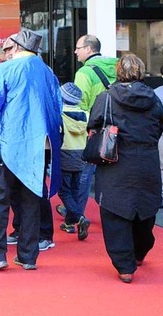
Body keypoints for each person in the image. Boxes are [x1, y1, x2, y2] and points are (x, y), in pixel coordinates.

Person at [0, 29, 62, 271]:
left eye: (8, 49)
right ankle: (28, 256)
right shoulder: (47, 71)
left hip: (10, 142)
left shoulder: (6, 69)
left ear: (16, 48)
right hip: (41, 142)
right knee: (32, 198)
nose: (6, 53)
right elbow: (58, 104)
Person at [89, 54, 163, 284]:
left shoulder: (107, 97)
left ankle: (124, 266)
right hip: (147, 160)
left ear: (118, 72)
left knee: (114, 212)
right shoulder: (154, 98)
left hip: (116, 161)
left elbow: (93, 124)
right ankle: (140, 251)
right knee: (146, 208)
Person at [73, 35, 119, 220]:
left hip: (93, 131)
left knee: (85, 174)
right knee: (113, 173)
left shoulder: (84, 73)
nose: (75, 51)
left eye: (78, 48)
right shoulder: (116, 67)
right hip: (116, 129)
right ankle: (114, 212)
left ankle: (76, 213)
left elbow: (79, 104)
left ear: (89, 49)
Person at [56, 82, 90, 241]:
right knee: (75, 190)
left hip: (64, 154)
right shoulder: (85, 114)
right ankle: (69, 223)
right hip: (81, 155)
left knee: (64, 190)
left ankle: (79, 217)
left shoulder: (59, 114)